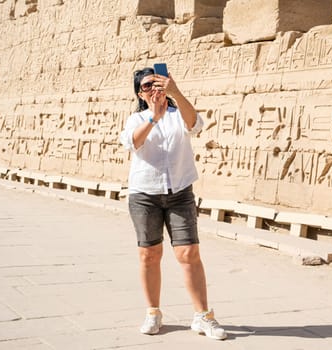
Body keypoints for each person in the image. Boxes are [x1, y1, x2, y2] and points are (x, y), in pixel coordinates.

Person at [119, 67, 227, 340]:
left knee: (189, 254)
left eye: (157, 84)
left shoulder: (178, 114)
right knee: (149, 255)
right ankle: (153, 312)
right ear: (139, 93)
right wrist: (154, 118)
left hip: (179, 192)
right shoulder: (136, 118)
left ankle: (203, 316)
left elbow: (196, 125)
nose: (153, 90)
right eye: (146, 86)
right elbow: (133, 143)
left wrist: (176, 92)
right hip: (145, 194)